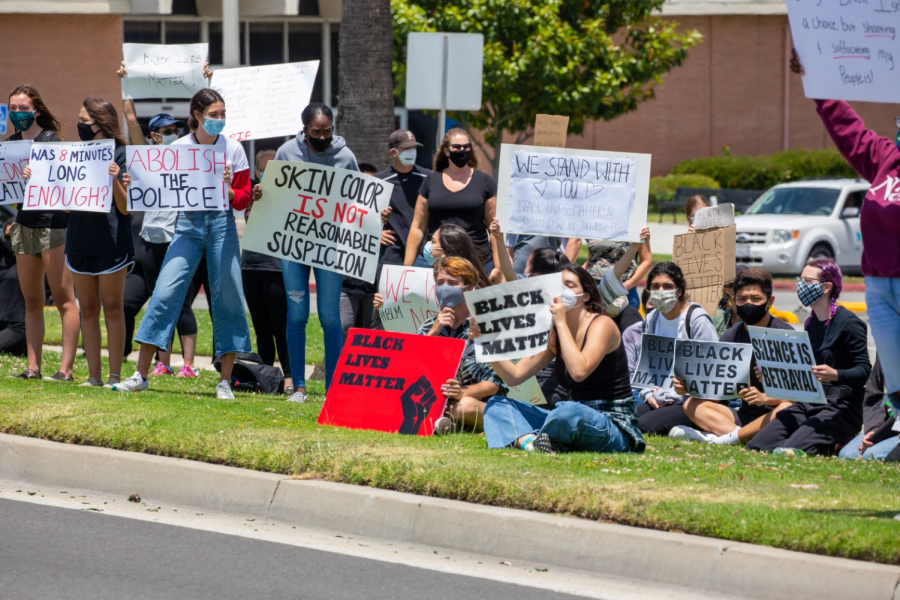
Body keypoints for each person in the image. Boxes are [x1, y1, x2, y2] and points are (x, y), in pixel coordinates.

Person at [114, 88, 252, 399]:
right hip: (187, 226)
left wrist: (229, 190)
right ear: (197, 116)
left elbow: (243, 198)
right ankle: (141, 374)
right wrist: (131, 184)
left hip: (222, 226)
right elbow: (156, 185)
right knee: (164, 292)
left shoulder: (234, 149)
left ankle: (225, 382)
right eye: (213, 115)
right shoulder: (178, 147)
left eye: (223, 114)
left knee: (228, 298)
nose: (219, 120)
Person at [791, 50, 900, 413]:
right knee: (897, 384)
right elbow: (847, 128)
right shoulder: (886, 158)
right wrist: (818, 81)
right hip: (880, 286)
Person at [253, 103, 359, 403]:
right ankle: (297, 386)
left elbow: (356, 200)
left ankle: (333, 389)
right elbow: (275, 194)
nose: (323, 137)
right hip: (294, 245)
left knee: (329, 317)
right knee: (296, 314)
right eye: (316, 132)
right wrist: (261, 193)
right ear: (304, 130)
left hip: (330, 246)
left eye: (328, 132)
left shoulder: (346, 156)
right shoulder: (287, 152)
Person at [479, 265, 645, 454]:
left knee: (567, 412)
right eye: (557, 286)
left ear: (586, 295)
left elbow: (579, 372)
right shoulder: (556, 334)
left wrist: (560, 322)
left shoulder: (602, 324)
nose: (561, 290)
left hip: (610, 423)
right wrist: (485, 342)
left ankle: (543, 438)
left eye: (570, 285)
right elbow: (515, 376)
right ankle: (532, 443)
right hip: (572, 417)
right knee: (498, 404)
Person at [747, 258, 871, 457]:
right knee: (757, 446)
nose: (801, 286)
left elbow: (864, 370)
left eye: (807, 281)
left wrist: (836, 375)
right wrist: (772, 372)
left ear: (827, 287)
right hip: (809, 402)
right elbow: (803, 370)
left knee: (787, 451)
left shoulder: (849, 323)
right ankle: (823, 443)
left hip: (841, 407)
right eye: (800, 280)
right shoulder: (810, 323)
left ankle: (836, 441)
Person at [53, 97, 132, 387]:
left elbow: (126, 208)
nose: (80, 126)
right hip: (79, 240)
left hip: (111, 242)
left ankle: (114, 376)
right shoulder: (75, 154)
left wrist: (114, 179)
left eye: (84, 121)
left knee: (112, 308)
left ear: (101, 123)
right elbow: (68, 207)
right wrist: (41, 182)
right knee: (88, 308)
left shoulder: (122, 154)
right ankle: (94, 377)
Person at [668, 269, 795, 445]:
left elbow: (797, 395)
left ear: (770, 301)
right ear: (734, 301)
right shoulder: (731, 336)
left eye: (756, 299)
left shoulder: (786, 336)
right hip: (744, 415)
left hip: (774, 414)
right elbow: (717, 393)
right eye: (742, 299)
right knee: (691, 404)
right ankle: (738, 436)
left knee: (786, 407)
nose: (749, 304)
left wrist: (765, 398)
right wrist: (689, 386)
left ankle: (724, 439)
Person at [6, 85, 80, 382]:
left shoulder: (52, 141)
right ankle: (33, 367)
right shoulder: (10, 144)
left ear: (36, 111)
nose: (18, 114)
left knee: (63, 298)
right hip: (24, 225)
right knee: (32, 299)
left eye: (23, 109)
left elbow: (69, 183)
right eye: (13, 108)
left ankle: (66, 369)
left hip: (54, 224)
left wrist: (40, 174)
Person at [623, 262, 719, 436]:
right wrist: (648, 395)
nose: (661, 291)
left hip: (691, 401)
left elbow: (710, 372)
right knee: (627, 420)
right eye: (655, 286)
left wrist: (679, 393)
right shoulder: (652, 318)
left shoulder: (696, 319)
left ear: (679, 291)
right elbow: (648, 366)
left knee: (644, 425)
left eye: (668, 286)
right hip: (659, 397)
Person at [417, 257, 508, 433]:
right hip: (435, 399)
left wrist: (462, 392)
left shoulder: (486, 326)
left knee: (464, 406)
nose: (444, 288)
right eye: (440, 282)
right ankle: (446, 423)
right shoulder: (429, 325)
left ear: (468, 289)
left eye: (452, 283)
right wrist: (433, 334)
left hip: (477, 402)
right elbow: (410, 365)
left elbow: (494, 383)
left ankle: (445, 421)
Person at [405, 127, 497, 272]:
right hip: (434, 261)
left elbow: (494, 229)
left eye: (466, 147)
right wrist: (407, 268)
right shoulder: (431, 181)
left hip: (477, 262)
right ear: (447, 151)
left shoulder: (485, 182)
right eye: (457, 147)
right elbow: (418, 227)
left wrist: (498, 267)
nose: (462, 150)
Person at [242, 149, 292, 393]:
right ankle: (266, 378)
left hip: (276, 269)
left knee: (280, 328)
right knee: (261, 329)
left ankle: (291, 378)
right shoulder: (252, 193)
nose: (269, 173)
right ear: (257, 171)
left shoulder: (290, 197)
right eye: (264, 169)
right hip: (250, 266)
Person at [339, 162, 385, 340]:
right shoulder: (342, 212)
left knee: (370, 332)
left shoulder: (386, 215)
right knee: (343, 327)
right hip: (347, 285)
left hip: (372, 287)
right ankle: (338, 365)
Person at [376, 129, 432, 269]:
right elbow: (360, 216)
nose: (412, 151)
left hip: (424, 257)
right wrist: (376, 233)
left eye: (414, 148)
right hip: (391, 256)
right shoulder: (379, 181)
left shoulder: (429, 178)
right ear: (394, 152)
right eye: (407, 148)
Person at [567, 232, 653, 311]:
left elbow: (646, 261)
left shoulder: (634, 223)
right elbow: (593, 259)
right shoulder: (595, 224)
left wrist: (626, 285)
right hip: (594, 288)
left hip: (623, 288)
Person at [837, 357, 898, 460]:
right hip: (886, 428)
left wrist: (879, 436)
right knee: (848, 454)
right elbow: (875, 395)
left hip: (895, 428)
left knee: (871, 455)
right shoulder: (887, 347)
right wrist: (873, 430)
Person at [0, 218, 26, 356]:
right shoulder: (3, 257)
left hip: (17, 327)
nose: (12, 240)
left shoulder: (31, 260)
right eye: (8, 236)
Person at [711, 265, 748, 337]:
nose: (748, 290)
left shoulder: (760, 321)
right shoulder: (716, 318)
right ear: (728, 290)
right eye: (741, 285)